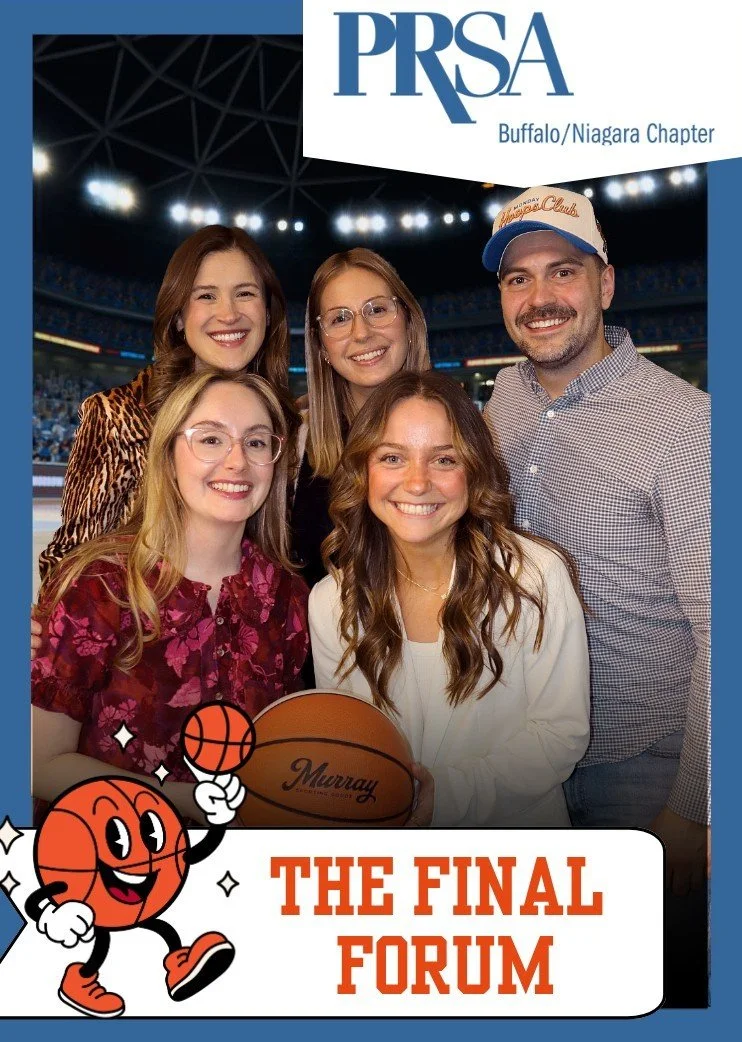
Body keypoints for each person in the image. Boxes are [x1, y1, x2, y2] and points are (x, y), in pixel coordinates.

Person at [480, 185, 709, 1002]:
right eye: (518, 279)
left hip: (643, 772)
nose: (539, 297)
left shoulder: (687, 424)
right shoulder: (503, 399)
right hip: (520, 759)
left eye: (562, 272)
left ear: (605, 284)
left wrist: (696, 807)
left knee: (649, 989)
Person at [308, 370, 590, 827]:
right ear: (362, 471)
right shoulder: (331, 601)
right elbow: (348, 742)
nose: (418, 483)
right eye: (393, 457)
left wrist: (445, 795)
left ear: (474, 472)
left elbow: (560, 734)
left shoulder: (534, 578)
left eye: (444, 459)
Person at [32, 369, 309, 825]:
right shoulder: (99, 585)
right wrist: (185, 801)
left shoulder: (289, 599)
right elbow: (40, 765)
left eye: (257, 442)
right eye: (211, 439)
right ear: (168, 453)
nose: (238, 461)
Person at [38, 224, 295, 582]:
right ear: (178, 316)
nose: (228, 313)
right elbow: (69, 561)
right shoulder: (119, 415)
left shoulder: (285, 421)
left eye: (245, 293)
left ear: (267, 311)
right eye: (206, 296)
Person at [293, 248, 430, 588]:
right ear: (321, 346)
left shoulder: (460, 431)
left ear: (408, 319)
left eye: (377, 310)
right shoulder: (293, 444)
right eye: (339, 318)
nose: (362, 333)